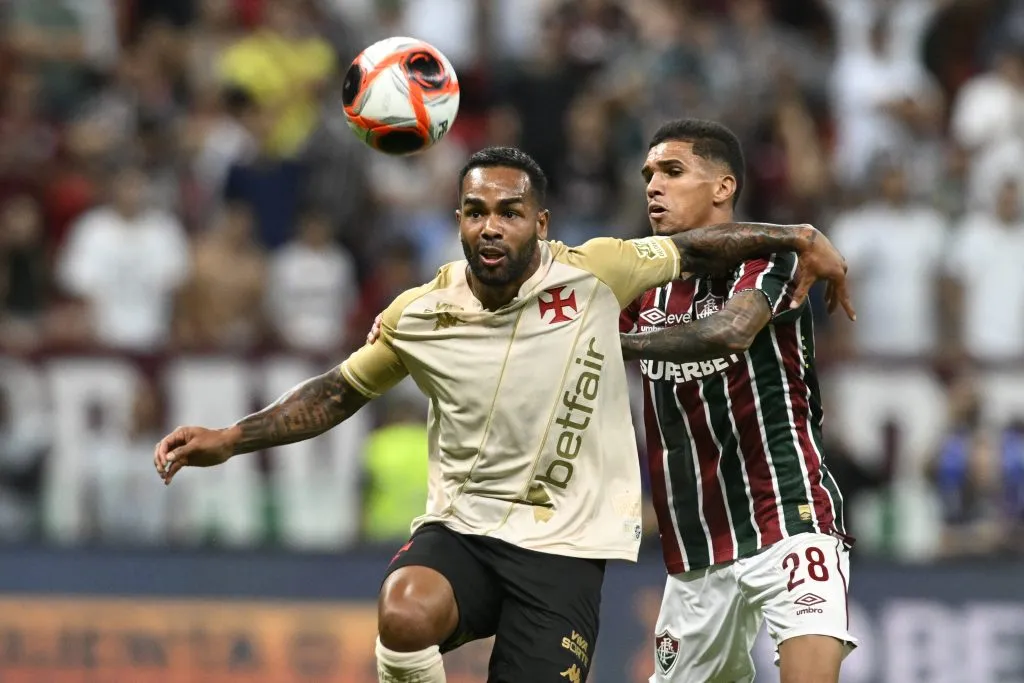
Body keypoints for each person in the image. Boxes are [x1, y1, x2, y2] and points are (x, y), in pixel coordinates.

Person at [154, 147, 851, 683]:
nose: (491, 226)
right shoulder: (418, 314)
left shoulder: (594, 272)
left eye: (508, 212)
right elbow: (336, 392)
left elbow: (698, 246)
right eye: (475, 211)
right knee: (404, 611)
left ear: (539, 223)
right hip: (466, 530)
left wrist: (797, 236)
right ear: (458, 219)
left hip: (566, 553)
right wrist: (229, 437)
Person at [618, 119, 857, 683]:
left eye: (672, 172)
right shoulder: (638, 279)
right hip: (697, 547)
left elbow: (729, 331)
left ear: (723, 187)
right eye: (648, 174)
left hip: (789, 515)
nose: (653, 186)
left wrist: (608, 340)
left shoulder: (772, 258)